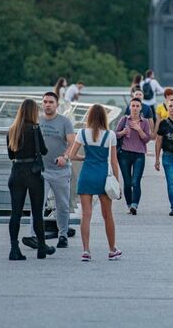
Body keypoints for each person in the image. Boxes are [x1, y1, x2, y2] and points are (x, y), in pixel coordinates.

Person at [67, 104, 122, 262]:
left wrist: (84, 158)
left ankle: (86, 250)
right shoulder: (110, 135)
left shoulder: (82, 133)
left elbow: (72, 155)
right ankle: (112, 249)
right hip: (103, 176)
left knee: (86, 214)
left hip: (86, 175)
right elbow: (114, 161)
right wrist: (117, 182)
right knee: (107, 215)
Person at [22, 93, 76, 250]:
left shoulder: (64, 121)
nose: (47, 104)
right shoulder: (36, 121)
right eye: (45, 102)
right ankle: (34, 236)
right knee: (37, 204)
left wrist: (65, 156)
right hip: (41, 171)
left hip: (60, 171)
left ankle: (63, 235)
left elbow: (73, 143)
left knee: (62, 206)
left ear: (57, 104)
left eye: (51, 102)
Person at [6, 99, 55, 260]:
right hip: (33, 173)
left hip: (16, 173)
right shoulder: (34, 128)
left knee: (15, 214)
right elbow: (44, 150)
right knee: (37, 212)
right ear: (33, 112)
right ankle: (41, 247)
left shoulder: (12, 130)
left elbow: (11, 155)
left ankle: (14, 249)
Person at [116, 97, 151, 215]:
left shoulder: (144, 122)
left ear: (141, 108)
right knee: (127, 182)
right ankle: (129, 204)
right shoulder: (124, 119)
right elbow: (115, 134)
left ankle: (134, 205)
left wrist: (139, 129)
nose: (135, 108)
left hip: (139, 155)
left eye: (137, 106)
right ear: (129, 107)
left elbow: (147, 139)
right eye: (133, 106)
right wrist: (123, 132)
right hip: (124, 154)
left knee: (135, 182)